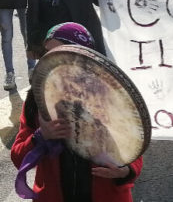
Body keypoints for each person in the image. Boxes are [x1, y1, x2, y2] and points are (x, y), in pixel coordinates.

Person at [11, 22, 143, 201]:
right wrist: (39, 138)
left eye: (63, 55)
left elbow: (133, 148)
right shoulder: (37, 101)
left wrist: (126, 171)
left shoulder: (111, 96)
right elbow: (18, 158)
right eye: (47, 54)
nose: (52, 61)